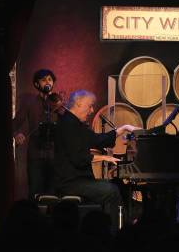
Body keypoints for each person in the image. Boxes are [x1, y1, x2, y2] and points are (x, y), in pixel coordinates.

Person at [54, 89, 141, 230]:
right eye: (90, 106)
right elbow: (78, 158)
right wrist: (102, 157)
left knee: (117, 184)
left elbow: (99, 140)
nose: (92, 110)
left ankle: (124, 226)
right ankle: (113, 234)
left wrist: (124, 128)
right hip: (69, 182)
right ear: (78, 103)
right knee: (111, 191)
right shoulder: (67, 124)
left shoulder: (75, 124)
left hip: (79, 179)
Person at [13, 69, 60, 198]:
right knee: (35, 191)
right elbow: (15, 123)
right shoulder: (30, 103)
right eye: (44, 80)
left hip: (54, 154)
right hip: (35, 154)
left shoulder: (57, 103)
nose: (47, 82)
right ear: (36, 84)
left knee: (52, 192)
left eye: (50, 79)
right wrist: (17, 134)